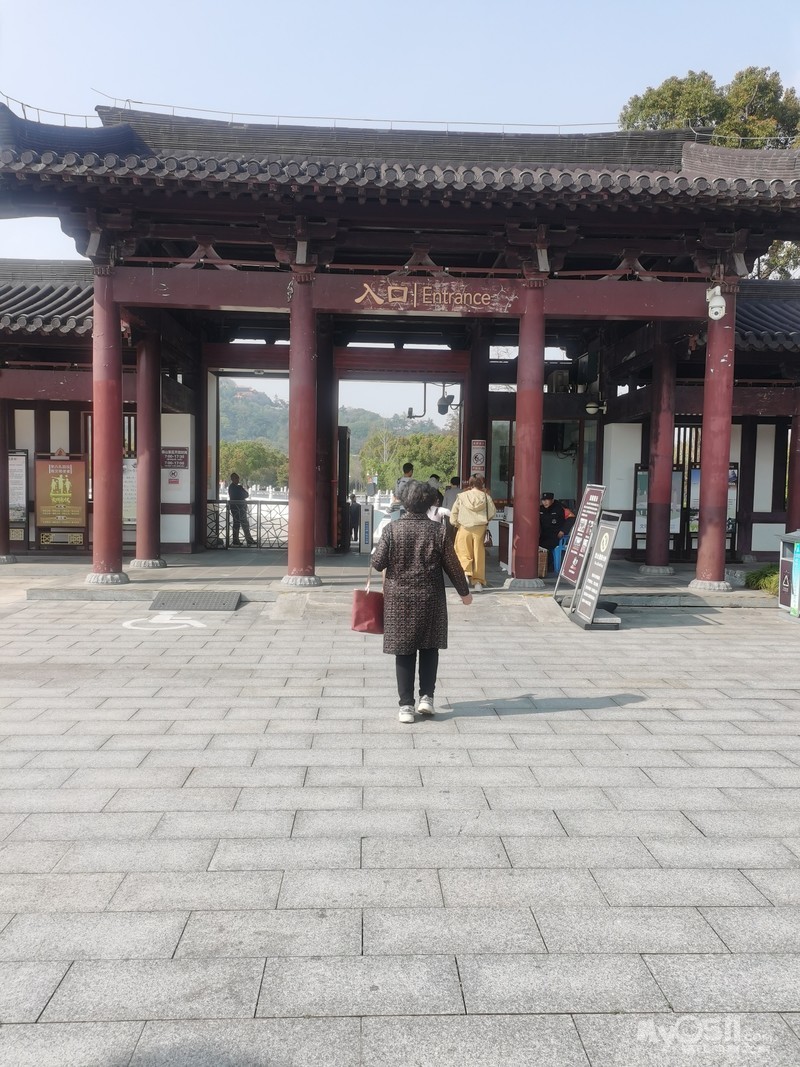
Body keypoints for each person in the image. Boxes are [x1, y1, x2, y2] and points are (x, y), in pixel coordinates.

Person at [372, 479, 472, 724]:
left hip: (398, 600)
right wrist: (464, 593)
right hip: (430, 597)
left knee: (404, 651)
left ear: (404, 502)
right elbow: (453, 566)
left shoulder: (392, 529)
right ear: (429, 503)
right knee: (429, 647)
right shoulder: (438, 531)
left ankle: (406, 706)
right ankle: (427, 697)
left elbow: (378, 563)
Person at [449, 474, 496, 592]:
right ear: (482, 483)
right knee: (478, 555)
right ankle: (478, 582)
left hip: (464, 527)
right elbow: (492, 513)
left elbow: (454, 513)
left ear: (470, 483)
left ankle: (466, 572)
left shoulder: (462, 496)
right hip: (480, 529)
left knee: (463, 552)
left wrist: (456, 524)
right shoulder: (486, 497)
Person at [227, 472, 255, 546]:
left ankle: (248, 539)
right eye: (236, 478)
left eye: (238, 478)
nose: (237, 480)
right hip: (236, 508)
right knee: (237, 524)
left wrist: (242, 494)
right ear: (232, 479)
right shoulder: (232, 487)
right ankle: (236, 540)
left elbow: (246, 494)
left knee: (245, 524)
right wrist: (241, 494)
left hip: (242, 508)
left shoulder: (239, 487)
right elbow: (238, 495)